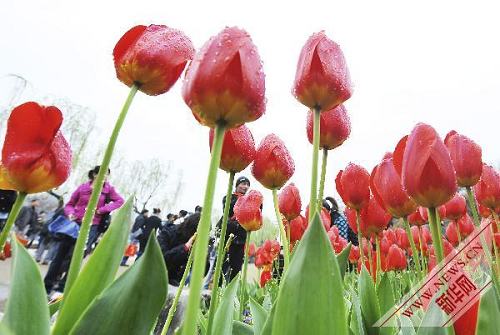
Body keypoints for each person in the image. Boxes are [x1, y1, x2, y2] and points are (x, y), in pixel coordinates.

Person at [44, 166, 124, 293]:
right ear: (94, 174)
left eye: (107, 175)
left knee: (76, 257)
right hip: (74, 225)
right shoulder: (82, 188)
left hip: (92, 227)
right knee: (60, 255)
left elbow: (120, 201)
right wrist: (70, 213)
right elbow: (69, 204)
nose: (104, 177)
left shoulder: (108, 190)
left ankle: (62, 288)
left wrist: (101, 210)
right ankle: (47, 285)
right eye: (102, 174)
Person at [158, 212, 204, 286]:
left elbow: (203, 271)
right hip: (157, 276)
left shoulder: (195, 243)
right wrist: (185, 247)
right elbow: (162, 259)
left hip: (175, 280)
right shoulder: (167, 233)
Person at [219, 176, 250, 281]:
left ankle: (232, 288)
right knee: (222, 264)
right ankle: (218, 288)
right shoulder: (228, 197)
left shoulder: (249, 199)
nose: (245, 187)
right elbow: (228, 211)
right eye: (243, 184)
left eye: (247, 185)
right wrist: (242, 200)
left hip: (240, 237)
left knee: (236, 267)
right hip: (228, 234)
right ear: (237, 185)